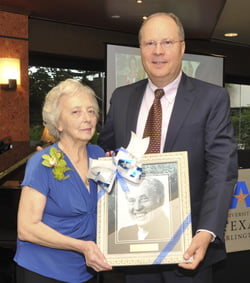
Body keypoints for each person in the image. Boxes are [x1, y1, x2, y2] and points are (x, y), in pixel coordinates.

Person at [98, 12, 238, 283]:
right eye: (150, 44)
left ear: (182, 47)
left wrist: (206, 232)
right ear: (140, 50)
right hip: (132, 247)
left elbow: (222, 170)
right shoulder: (122, 97)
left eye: (167, 42)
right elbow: (106, 154)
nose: (158, 51)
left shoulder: (212, 98)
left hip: (189, 247)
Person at [14, 79, 112, 283]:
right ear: (58, 123)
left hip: (88, 270)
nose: (87, 118)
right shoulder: (41, 163)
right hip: (44, 270)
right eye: (76, 112)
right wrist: (82, 246)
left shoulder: (99, 155)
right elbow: (26, 228)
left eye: (91, 111)